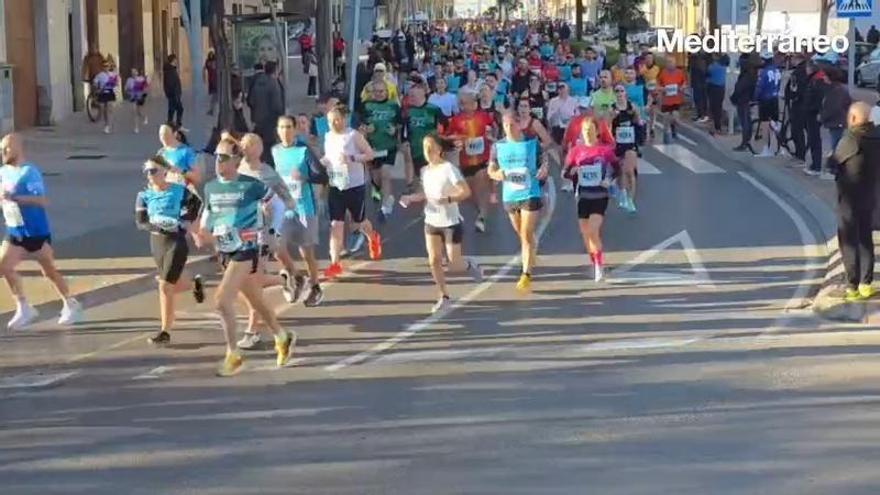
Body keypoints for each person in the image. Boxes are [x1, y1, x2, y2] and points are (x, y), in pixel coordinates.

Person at [194, 138, 296, 377]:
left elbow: (278, 206)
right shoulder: (211, 188)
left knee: (221, 300)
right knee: (254, 299)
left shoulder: (252, 185)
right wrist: (203, 234)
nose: (219, 162)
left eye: (224, 157)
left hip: (247, 249)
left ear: (237, 160)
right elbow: (208, 218)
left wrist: (273, 232)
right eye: (217, 157)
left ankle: (234, 354)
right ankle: (282, 336)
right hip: (225, 250)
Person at [0, 134, 83, 330]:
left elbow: (42, 201)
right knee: (3, 266)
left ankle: (70, 303)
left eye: (6, 149)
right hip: (14, 230)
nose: (2, 153)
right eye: (1, 149)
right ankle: (23, 306)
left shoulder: (29, 172)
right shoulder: (2, 172)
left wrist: (16, 198)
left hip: (36, 232)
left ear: (17, 149)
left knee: (49, 271)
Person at [399, 134, 483, 313]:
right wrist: (410, 198)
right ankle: (443, 296)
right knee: (434, 260)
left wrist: (449, 199)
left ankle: (470, 265)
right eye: (424, 148)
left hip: (450, 221)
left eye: (430, 147)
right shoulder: (425, 171)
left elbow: (465, 191)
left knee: (454, 264)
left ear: (439, 149)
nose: (427, 151)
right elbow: (425, 194)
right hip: (431, 220)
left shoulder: (449, 169)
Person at [135, 155, 204, 345]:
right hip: (157, 242)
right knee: (172, 284)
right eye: (147, 171)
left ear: (164, 172)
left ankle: (165, 331)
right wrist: (160, 226)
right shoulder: (144, 195)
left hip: (176, 240)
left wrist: (183, 221)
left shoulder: (179, 191)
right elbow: (141, 222)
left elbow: (196, 204)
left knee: (164, 285)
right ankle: (193, 284)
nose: (150, 175)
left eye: (154, 171)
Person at [487, 111, 549, 292]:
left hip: (530, 192)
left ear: (519, 124)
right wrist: (496, 174)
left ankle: (525, 274)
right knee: (522, 235)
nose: (508, 129)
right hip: (510, 195)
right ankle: (530, 254)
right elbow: (491, 168)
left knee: (526, 233)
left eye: (511, 125)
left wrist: (544, 168)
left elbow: (543, 160)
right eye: (505, 126)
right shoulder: (498, 146)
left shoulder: (531, 142)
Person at [321, 106, 382, 279]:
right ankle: (335, 263)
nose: (333, 123)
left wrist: (352, 158)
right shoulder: (328, 137)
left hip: (354, 186)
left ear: (344, 119)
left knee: (359, 222)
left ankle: (372, 236)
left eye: (336, 119)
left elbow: (370, 154)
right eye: (330, 121)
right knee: (336, 224)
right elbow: (328, 157)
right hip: (336, 185)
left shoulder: (353, 135)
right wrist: (319, 163)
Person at [272, 116, 324, 307]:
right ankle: (295, 277)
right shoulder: (274, 151)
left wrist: (303, 176)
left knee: (306, 252)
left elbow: (321, 176)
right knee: (277, 247)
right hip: (283, 209)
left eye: (288, 127)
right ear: (277, 130)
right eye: (282, 127)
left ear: (294, 130)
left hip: (304, 208)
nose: (285, 131)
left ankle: (316, 285)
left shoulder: (303, 151)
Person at [828, 102, 877, 301]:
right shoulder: (876, 136)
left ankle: (852, 287)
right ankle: (866, 284)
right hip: (870, 195)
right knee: (866, 238)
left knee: (849, 241)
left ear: (854, 119)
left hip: (849, 198)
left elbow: (834, 163)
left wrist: (830, 160)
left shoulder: (851, 139)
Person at [563, 117, 618, 283]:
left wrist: (609, 180)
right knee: (586, 234)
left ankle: (598, 267)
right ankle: (595, 261)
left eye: (590, 130)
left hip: (599, 195)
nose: (587, 133)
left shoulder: (604, 151)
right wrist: (572, 171)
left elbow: (617, 168)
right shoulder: (576, 151)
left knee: (593, 231)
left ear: (596, 132)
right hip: (582, 195)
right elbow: (565, 172)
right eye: (585, 130)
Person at [445, 90, 496, 233]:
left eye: (465, 102)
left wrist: (492, 136)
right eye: (461, 102)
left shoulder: (483, 116)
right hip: (466, 161)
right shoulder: (456, 119)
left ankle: (482, 217)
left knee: (480, 183)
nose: (462, 105)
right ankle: (482, 210)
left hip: (483, 159)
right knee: (469, 193)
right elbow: (449, 136)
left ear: (474, 104)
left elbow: (494, 129)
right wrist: (455, 141)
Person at [361, 82, 402, 221]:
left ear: (387, 91)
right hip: (372, 147)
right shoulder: (366, 106)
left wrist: (395, 131)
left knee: (385, 174)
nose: (379, 94)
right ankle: (376, 188)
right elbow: (360, 125)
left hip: (389, 146)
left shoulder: (394, 106)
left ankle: (385, 207)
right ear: (372, 92)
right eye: (376, 91)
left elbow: (400, 125)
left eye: (381, 91)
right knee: (376, 177)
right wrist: (366, 129)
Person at [402, 84, 445, 190]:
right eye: (410, 95)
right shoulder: (407, 111)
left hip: (431, 148)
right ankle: (416, 189)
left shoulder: (434, 109)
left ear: (422, 94)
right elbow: (403, 129)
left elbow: (445, 125)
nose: (410, 97)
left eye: (413, 95)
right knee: (419, 173)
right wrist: (404, 141)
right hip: (415, 147)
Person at [248, 61, 286, 165]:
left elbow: (251, 101)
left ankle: (259, 164)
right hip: (270, 122)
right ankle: (269, 168)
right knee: (270, 147)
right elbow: (277, 105)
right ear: (275, 71)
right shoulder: (274, 84)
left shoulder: (258, 81)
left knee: (260, 145)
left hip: (258, 120)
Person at [611, 83, 641, 213]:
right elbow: (606, 126)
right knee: (620, 171)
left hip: (630, 142)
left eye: (621, 91)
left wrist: (637, 117)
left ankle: (630, 200)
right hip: (617, 143)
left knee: (629, 171)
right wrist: (612, 116)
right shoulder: (612, 109)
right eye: (616, 91)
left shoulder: (632, 107)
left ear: (625, 93)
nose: (619, 93)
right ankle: (622, 192)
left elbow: (639, 122)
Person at [821, 68, 852, 179]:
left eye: (825, 76)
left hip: (837, 121)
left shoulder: (836, 90)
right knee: (836, 144)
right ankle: (835, 167)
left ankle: (835, 169)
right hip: (838, 121)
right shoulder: (837, 89)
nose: (823, 77)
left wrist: (823, 117)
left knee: (836, 145)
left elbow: (834, 107)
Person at [804, 57, 832, 176]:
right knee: (813, 138)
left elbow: (819, 98)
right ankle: (815, 164)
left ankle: (816, 166)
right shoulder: (817, 79)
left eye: (807, 68)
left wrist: (818, 112)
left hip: (813, 113)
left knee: (814, 139)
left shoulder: (817, 80)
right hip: (813, 111)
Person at [753, 51, 782, 157]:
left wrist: (754, 98)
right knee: (774, 123)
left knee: (765, 124)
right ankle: (778, 146)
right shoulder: (777, 70)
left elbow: (759, 87)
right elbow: (778, 85)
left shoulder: (764, 72)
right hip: (775, 99)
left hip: (765, 100)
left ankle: (766, 149)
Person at [731, 54, 758, 153]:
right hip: (748, 99)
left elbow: (739, 88)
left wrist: (733, 98)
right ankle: (747, 141)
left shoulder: (746, 74)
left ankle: (744, 143)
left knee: (745, 122)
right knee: (748, 121)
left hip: (743, 100)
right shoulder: (752, 73)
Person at [785, 53, 809, 162]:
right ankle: (801, 152)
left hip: (798, 104)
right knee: (802, 129)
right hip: (805, 103)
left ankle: (800, 154)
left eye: (792, 59)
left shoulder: (797, 72)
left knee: (796, 130)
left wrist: (790, 97)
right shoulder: (806, 71)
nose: (791, 61)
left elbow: (794, 89)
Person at [656, 58, 686, 142]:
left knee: (675, 117)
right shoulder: (663, 73)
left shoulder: (679, 73)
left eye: (672, 62)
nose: (670, 64)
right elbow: (657, 85)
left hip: (676, 99)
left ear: (675, 63)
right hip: (666, 100)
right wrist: (662, 89)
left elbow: (684, 83)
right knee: (666, 118)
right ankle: (666, 135)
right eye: (668, 62)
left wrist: (682, 87)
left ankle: (674, 129)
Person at [93, 59, 119, 134]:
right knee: (102, 108)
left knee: (108, 109)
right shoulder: (99, 75)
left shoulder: (112, 74)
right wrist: (96, 88)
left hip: (110, 92)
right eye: (104, 66)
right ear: (102, 67)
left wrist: (115, 82)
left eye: (107, 66)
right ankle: (105, 122)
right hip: (102, 92)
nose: (106, 67)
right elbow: (95, 83)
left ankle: (107, 125)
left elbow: (116, 83)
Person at [706, 54, 728, 135]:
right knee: (718, 107)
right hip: (721, 88)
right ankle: (718, 127)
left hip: (712, 88)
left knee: (712, 108)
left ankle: (713, 127)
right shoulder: (724, 68)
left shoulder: (712, 66)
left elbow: (707, 75)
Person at [125, 68, 149, 134]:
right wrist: (129, 92)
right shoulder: (129, 80)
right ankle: (136, 128)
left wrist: (144, 92)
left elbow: (146, 87)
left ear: (137, 73)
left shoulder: (141, 79)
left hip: (140, 96)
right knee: (134, 112)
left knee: (139, 112)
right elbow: (126, 89)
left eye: (135, 72)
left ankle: (144, 117)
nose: (133, 73)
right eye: (132, 72)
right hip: (133, 97)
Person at [163, 54, 184, 128]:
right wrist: (175, 93)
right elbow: (170, 83)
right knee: (179, 109)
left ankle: (170, 123)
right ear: (173, 60)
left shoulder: (172, 69)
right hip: (174, 93)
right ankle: (177, 124)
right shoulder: (170, 70)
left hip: (174, 93)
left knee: (172, 109)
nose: (177, 61)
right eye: (175, 59)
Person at [204, 50, 218, 116]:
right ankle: (212, 110)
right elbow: (205, 68)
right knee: (214, 96)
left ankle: (212, 110)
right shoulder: (209, 62)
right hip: (212, 80)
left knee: (215, 97)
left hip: (215, 80)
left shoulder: (214, 62)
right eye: (210, 54)